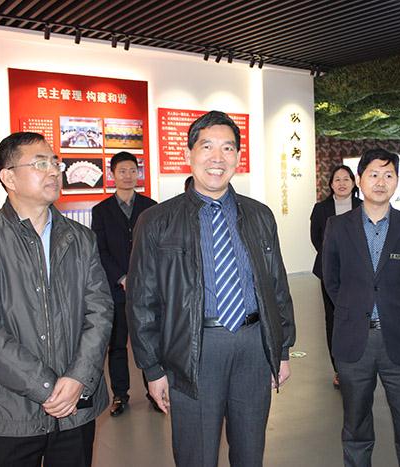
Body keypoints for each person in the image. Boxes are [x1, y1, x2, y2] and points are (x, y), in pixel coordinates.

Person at [127, 110, 296, 467]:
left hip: (253, 346)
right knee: (197, 455)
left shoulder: (259, 215)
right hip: (194, 349)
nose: (217, 158)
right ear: (188, 154)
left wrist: (281, 350)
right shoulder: (156, 221)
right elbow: (141, 301)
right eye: (207, 147)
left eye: (228, 148)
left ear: (238, 156)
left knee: (250, 452)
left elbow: (277, 286)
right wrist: (152, 368)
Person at [0, 132, 113, 467]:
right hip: (8, 411)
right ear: (9, 178)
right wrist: (47, 387)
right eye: (40, 164)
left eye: (55, 162)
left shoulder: (81, 239)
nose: (53, 171)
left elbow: (100, 311)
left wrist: (78, 378)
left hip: (75, 408)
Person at [323, 148, 400, 467]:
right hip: (353, 340)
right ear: (359, 180)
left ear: (397, 181)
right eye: (373, 174)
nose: (380, 182)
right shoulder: (337, 227)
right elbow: (332, 281)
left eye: (388, 175)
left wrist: (397, 310)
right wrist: (355, 309)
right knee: (355, 426)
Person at [91, 151, 158, 417]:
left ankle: (154, 391)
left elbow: (156, 248)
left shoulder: (151, 207)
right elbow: (100, 250)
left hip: (147, 289)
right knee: (117, 345)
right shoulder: (101, 211)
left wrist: (141, 276)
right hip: (116, 291)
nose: (128, 176)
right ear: (112, 175)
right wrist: (122, 277)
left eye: (133, 170)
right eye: (122, 171)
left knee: (149, 341)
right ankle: (120, 394)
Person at [310, 164, 362, 388]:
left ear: (353, 183)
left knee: (359, 316)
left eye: (346, 179)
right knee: (333, 318)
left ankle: (358, 363)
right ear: (331, 184)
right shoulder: (321, 209)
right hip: (330, 272)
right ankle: (339, 369)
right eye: (337, 179)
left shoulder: (362, 206)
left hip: (360, 272)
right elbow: (316, 238)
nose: (341, 183)